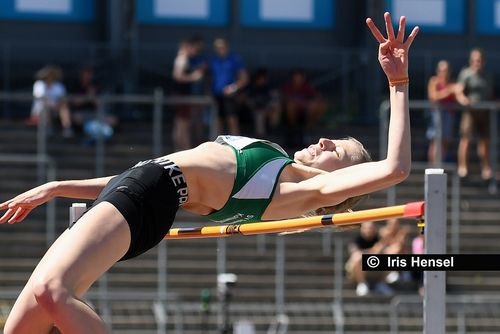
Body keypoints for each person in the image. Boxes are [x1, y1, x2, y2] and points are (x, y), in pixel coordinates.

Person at [0, 13, 417, 333]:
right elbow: (147, 172)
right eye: (332, 139)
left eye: (339, 151)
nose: (326, 142)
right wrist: (56, 188)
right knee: (19, 327)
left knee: (51, 294)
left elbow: (395, 168)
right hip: (136, 187)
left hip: (148, 196)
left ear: (342, 183)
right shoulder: (275, 163)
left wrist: (397, 83)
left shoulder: (304, 190)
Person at [455, 48, 494, 179]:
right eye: (476, 60)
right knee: (466, 139)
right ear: (471, 61)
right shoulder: (466, 74)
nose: (478, 63)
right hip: (470, 112)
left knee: (485, 141)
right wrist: (464, 100)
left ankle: (486, 168)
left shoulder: (487, 75)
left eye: (481, 60)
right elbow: (459, 91)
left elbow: (491, 93)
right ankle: (463, 167)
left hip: (485, 112)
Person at [172, 36, 207, 151]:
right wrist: (193, 77)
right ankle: (185, 149)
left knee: (181, 124)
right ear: (188, 47)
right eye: (195, 49)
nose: (196, 52)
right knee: (183, 125)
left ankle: (181, 149)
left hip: (184, 95)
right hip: (183, 96)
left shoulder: (184, 58)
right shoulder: (182, 58)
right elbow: (177, 76)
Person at [209, 37, 249, 135]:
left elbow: (244, 78)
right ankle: (219, 146)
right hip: (216, 95)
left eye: (222, 47)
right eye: (217, 48)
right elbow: (209, 77)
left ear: (227, 47)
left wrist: (233, 88)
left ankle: (236, 146)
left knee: (232, 120)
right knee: (218, 120)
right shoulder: (213, 61)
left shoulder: (235, 60)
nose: (220, 49)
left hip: (230, 96)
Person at [281, 69, 327, 147]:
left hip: (304, 114)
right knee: (290, 106)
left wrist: (307, 103)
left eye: (299, 77)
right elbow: (284, 99)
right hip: (290, 116)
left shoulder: (306, 87)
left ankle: (307, 128)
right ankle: (293, 129)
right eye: (296, 77)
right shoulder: (288, 87)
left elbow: (316, 97)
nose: (297, 79)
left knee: (319, 105)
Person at [29, 65, 73, 138]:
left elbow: (63, 100)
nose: (50, 76)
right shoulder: (39, 84)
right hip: (39, 111)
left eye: (52, 74)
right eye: (48, 74)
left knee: (64, 108)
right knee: (46, 107)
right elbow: (42, 100)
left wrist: (57, 106)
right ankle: (48, 128)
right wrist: (52, 105)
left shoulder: (59, 86)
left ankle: (67, 128)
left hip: (56, 110)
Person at [426, 60, 457, 165]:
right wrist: (448, 91)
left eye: (446, 70)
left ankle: (439, 164)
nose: (444, 73)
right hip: (437, 115)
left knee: (445, 141)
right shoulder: (434, 81)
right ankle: (432, 166)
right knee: (435, 141)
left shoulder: (451, 83)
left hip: (449, 115)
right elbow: (433, 97)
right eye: (442, 70)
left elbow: (457, 97)